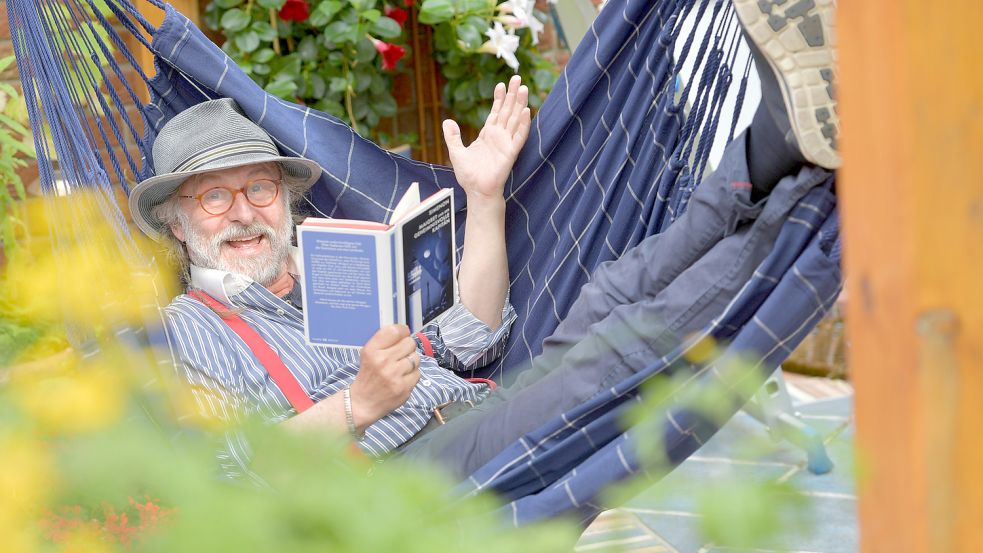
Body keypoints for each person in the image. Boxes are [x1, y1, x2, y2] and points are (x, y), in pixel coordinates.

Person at [129, 0, 838, 482]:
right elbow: (228, 469)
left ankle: (770, 149)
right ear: (175, 220)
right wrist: (359, 403)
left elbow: (469, 334)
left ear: (283, 198)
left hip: (473, 409)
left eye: (258, 188)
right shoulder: (185, 331)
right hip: (409, 478)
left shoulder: (332, 267)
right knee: (606, 359)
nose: (243, 212)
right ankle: (813, 212)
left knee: (608, 292)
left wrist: (485, 196)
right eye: (214, 197)